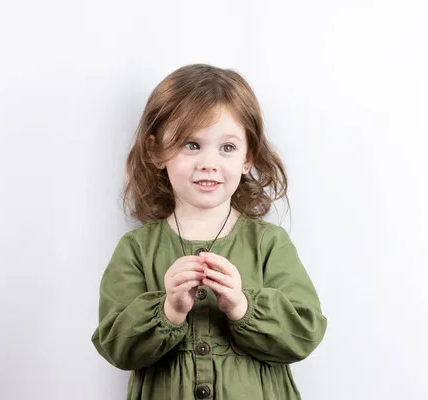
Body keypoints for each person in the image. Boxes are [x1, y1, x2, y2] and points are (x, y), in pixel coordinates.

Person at [91, 63, 327, 399]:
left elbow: (305, 333)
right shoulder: (136, 248)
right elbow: (115, 345)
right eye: (191, 144)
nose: (209, 163)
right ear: (156, 151)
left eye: (227, 147)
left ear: (248, 157)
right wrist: (168, 310)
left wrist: (242, 306)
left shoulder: (269, 243)